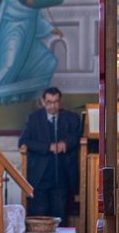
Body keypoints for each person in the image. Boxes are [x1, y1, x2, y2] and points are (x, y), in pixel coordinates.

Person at [18, 86, 81, 225]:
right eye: (49, 102)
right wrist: (48, 147)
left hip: (62, 177)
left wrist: (65, 143)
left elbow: (77, 136)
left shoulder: (70, 118)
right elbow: (23, 141)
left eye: (56, 102)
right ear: (43, 102)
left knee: (60, 217)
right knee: (40, 217)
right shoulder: (34, 118)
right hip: (40, 177)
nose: (53, 106)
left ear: (60, 102)